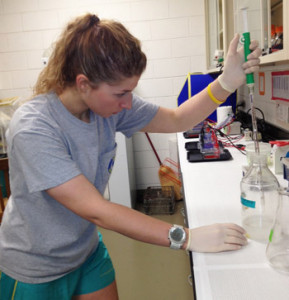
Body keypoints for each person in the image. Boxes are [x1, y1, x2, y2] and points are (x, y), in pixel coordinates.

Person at [0, 13, 261, 300]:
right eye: (120, 93)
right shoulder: (33, 127)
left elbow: (176, 119)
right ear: (84, 84)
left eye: (131, 92)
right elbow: (97, 209)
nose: (127, 104)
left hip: (85, 251)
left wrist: (225, 83)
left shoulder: (106, 109)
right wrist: (185, 237)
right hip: (35, 268)